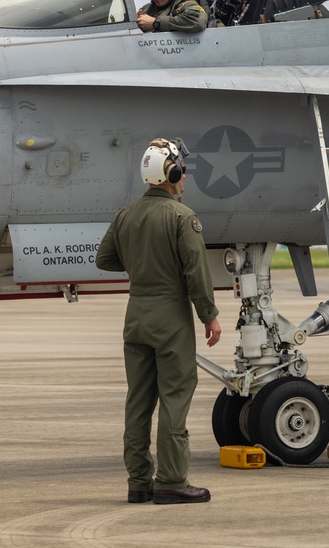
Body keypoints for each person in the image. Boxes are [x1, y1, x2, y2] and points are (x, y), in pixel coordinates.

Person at [96, 137, 222, 504]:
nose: (184, 175)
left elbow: (104, 260)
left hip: (135, 316)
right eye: (181, 169)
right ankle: (171, 480)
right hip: (170, 318)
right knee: (175, 398)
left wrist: (138, 262)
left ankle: (139, 482)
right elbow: (197, 274)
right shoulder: (183, 217)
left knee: (138, 402)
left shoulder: (126, 214)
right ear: (173, 173)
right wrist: (209, 316)